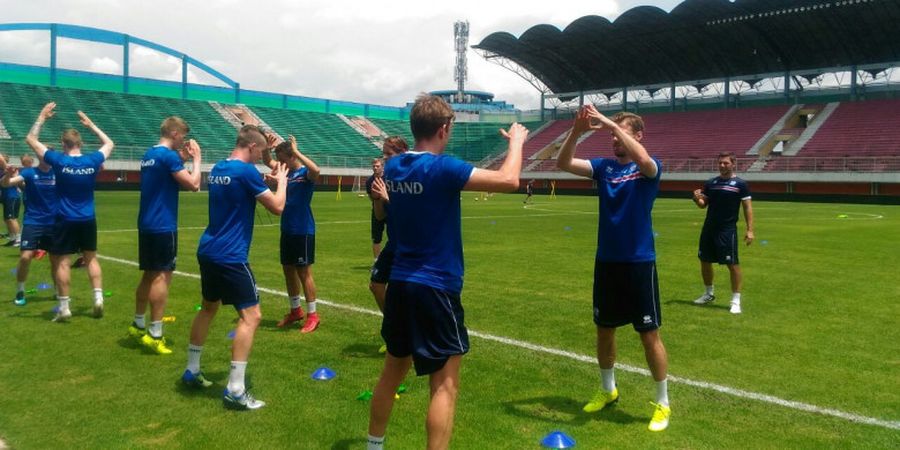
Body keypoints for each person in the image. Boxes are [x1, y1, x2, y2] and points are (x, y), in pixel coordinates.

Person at [366, 94, 528, 450]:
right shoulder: (443, 168)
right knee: (443, 385)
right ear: (443, 129)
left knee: (392, 372)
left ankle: (373, 446)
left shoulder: (393, 168)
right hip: (435, 287)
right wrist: (516, 142)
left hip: (402, 283)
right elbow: (509, 179)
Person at [556, 104, 671, 432]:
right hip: (607, 262)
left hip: (639, 263)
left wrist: (609, 122)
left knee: (649, 334)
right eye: (611, 135)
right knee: (604, 329)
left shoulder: (649, 168)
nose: (613, 140)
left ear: (638, 135)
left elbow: (645, 161)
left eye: (620, 134)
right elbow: (562, 163)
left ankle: (662, 402)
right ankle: (608, 389)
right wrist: (576, 133)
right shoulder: (604, 167)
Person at [181, 125, 287, 411]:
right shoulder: (246, 172)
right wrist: (282, 181)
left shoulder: (219, 168)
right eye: (261, 151)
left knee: (208, 307)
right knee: (252, 316)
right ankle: (236, 389)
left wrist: (263, 177)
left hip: (208, 250)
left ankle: (192, 369)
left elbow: (241, 185)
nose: (261, 156)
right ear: (252, 147)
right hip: (231, 255)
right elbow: (277, 207)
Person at [25, 102, 114, 322]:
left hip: (64, 218)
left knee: (62, 261)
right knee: (91, 259)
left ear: (63, 144)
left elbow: (31, 140)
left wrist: (42, 117)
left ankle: (64, 308)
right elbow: (110, 142)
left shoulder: (59, 160)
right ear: (79, 143)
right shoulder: (92, 160)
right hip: (88, 218)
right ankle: (98, 298)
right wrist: (91, 125)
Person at [130, 117, 202, 354]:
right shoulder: (167, 156)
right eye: (181, 135)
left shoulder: (149, 154)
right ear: (173, 133)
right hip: (163, 224)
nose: (183, 139)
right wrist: (198, 159)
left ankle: (138, 323)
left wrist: (183, 157)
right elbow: (192, 184)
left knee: (149, 275)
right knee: (162, 277)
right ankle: (155, 333)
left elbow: (167, 171)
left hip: (147, 223)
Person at [263, 134, 322, 334]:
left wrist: (297, 151)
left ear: (291, 157)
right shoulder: (285, 173)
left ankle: (313, 315)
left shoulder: (305, 174)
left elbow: (317, 170)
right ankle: (295, 311)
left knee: (304, 272)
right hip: (287, 229)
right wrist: (267, 149)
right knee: (288, 270)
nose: (278, 164)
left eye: (282, 160)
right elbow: (267, 161)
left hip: (303, 230)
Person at [691, 152, 754, 314]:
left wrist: (750, 230)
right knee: (704, 260)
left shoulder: (740, 184)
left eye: (725, 163)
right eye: (720, 163)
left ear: (733, 164)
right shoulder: (711, 183)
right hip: (709, 229)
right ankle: (708, 294)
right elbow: (702, 205)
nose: (722, 166)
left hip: (727, 230)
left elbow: (747, 207)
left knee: (732, 264)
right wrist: (696, 198)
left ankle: (735, 300)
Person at [367, 137, 409, 354]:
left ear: (402, 153)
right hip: (394, 242)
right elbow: (380, 216)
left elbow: (408, 216)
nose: (384, 159)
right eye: (383, 154)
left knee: (405, 294)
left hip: (409, 244)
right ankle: (395, 328)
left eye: (388, 154)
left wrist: (388, 197)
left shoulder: (408, 178)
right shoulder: (382, 179)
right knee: (376, 285)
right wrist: (377, 198)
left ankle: (402, 336)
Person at [1, 153, 58, 305]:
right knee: (25, 257)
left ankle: (58, 291)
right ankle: (20, 291)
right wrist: (7, 174)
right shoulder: (29, 172)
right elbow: (6, 184)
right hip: (33, 221)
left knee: (55, 260)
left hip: (53, 222)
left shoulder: (57, 173)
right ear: (39, 157)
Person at [366, 157, 386, 259]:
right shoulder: (369, 181)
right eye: (373, 166)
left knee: (394, 235)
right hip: (376, 210)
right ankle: (376, 262)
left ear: (382, 167)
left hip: (390, 210)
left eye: (377, 166)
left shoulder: (389, 178)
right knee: (376, 238)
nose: (375, 168)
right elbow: (371, 198)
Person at [0, 154, 22, 247]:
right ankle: (12, 238)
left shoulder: (8, 171)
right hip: (7, 197)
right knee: (7, 218)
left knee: (11, 218)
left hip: (11, 196)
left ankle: (18, 239)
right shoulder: (2, 171)